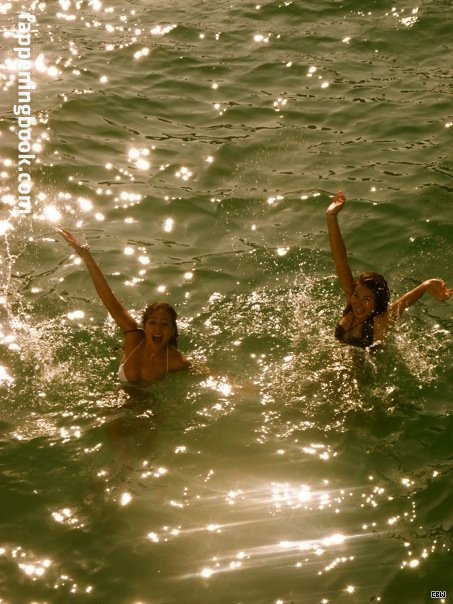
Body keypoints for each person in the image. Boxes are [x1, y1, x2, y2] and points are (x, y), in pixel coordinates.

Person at [57, 228, 191, 385]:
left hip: (149, 399)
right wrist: (85, 255)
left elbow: (203, 374)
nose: (158, 329)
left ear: (173, 330)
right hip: (119, 393)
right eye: (153, 322)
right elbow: (108, 298)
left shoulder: (175, 361)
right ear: (144, 326)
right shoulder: (133, 337)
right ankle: (121, 350)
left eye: (165, 324)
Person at [326, 192, 452, 348]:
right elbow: (340, 260)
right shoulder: (351, 305)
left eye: (367, 299)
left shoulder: (380, 322)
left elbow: (404, 303)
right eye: (356, 295)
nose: (358, 303)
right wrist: (331, 216)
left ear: (377, 303)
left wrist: (427, 285)